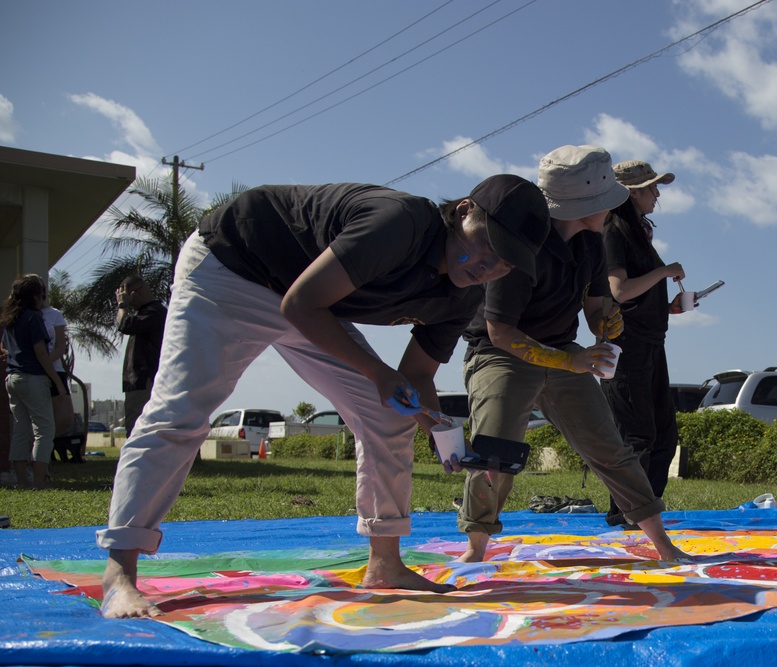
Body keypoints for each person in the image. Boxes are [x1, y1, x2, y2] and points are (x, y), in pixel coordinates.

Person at [97, 175, 551, 619]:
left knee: (388, 414)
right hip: (233, 266)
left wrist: (436, 426)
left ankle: (385, 565)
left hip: (306, 299)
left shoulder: (460, 297)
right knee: (180, 413)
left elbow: (415, 375)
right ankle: (120, 572)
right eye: (488, 244)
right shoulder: (400, 223)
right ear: (464, 210)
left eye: (505, 262)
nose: (488, 265)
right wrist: (376, 371)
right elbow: (300, 304)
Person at [456, 145, 686, 563]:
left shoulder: (591, 244)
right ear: (583, 207)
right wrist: (570, 361)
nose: (612, 210)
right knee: (496, 451)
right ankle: (476, 549)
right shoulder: (522, 244)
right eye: (606, 202)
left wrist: (606, 323)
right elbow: (501, 331)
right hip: (500, 353)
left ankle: (662, 544)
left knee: (609, 447)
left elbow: (597, 307)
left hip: (562, 349)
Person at [600, 160, 687, 526]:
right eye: (653, 188)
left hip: (651, 340)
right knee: (637, 434)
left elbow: (636, 293)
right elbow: (619, 291)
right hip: (627, 343)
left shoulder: (637, 231)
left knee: (664, 434)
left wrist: (668, 306)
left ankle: (643, 511)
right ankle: (628, 512)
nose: (658, 194)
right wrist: (665, 272)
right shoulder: (614, 229)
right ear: (632, 192)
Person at [1, 274, 66, 489]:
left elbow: (4, 348)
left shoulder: (11, 317)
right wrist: (56, 380)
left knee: (20, 430)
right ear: (36, 296)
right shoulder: (33, 317)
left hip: (12, 378)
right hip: (33, 378)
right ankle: (39, 481)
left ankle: (22, 480)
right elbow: (41, 353)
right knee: (44, 430)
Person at [115, 275, 168, 437]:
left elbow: (125, 325)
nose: (127, 301)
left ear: (138, 292)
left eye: (128, 296)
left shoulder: (155, 313)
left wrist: (122, 306)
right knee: (134, 426)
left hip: (144, 380)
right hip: (137, 381)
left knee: (137, 429)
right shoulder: (147, 313)